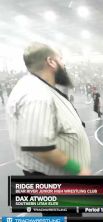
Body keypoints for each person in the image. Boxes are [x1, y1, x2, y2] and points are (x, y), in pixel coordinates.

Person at [5, 42, 91, 177]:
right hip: (52, 186)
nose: (64, 64)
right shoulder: (35, 94)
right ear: (51, 62)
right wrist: (78, 169)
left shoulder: (41, 88)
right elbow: (40, 147)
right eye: (61, 59)